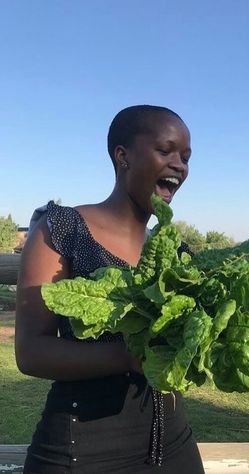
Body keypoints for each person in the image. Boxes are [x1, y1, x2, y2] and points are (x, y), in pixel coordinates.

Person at [15, 105, 205, 473]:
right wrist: (129, 357)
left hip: (173, 444)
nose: (179, 165)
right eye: (165, 151)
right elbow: (31, 351)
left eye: (185, 157)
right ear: (123, 156)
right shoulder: (62, 229)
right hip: (82, 451)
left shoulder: (177, 256)